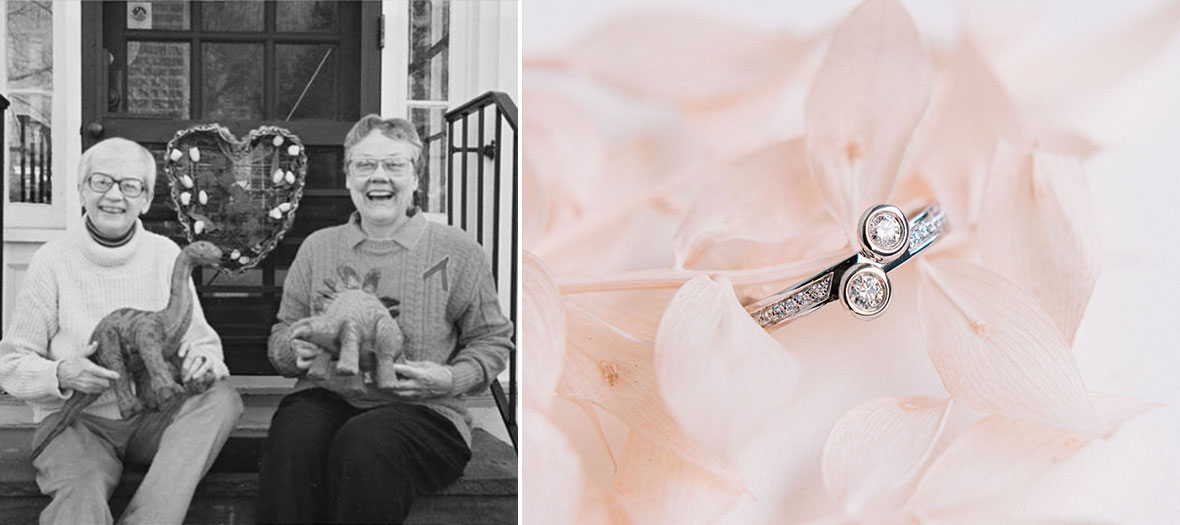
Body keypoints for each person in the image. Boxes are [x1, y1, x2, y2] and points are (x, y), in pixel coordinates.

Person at [257, 115, 513, 524]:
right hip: (328, 397)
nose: (379, 176)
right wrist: (294, 350)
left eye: (394, 165)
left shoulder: (458, 249)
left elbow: (493, 340)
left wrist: (451, 379)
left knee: (366, 441)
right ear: (348, 178)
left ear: (416, 177)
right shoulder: (317, 247)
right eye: (365, 164)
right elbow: (283, 333)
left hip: (428, 412)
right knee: (295, 434)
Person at [0, 137, 243, 525]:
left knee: (220, 399)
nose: (115, 196)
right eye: (101, 182)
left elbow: (201, 341)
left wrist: (204, 360)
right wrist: (61, 372)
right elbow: (10, 364)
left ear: (145, 200)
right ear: (82, 189)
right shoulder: (52, 260)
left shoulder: (164, 254)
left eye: (130, 186)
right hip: (77, 422)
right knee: (80, 494)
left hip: (152, 416)